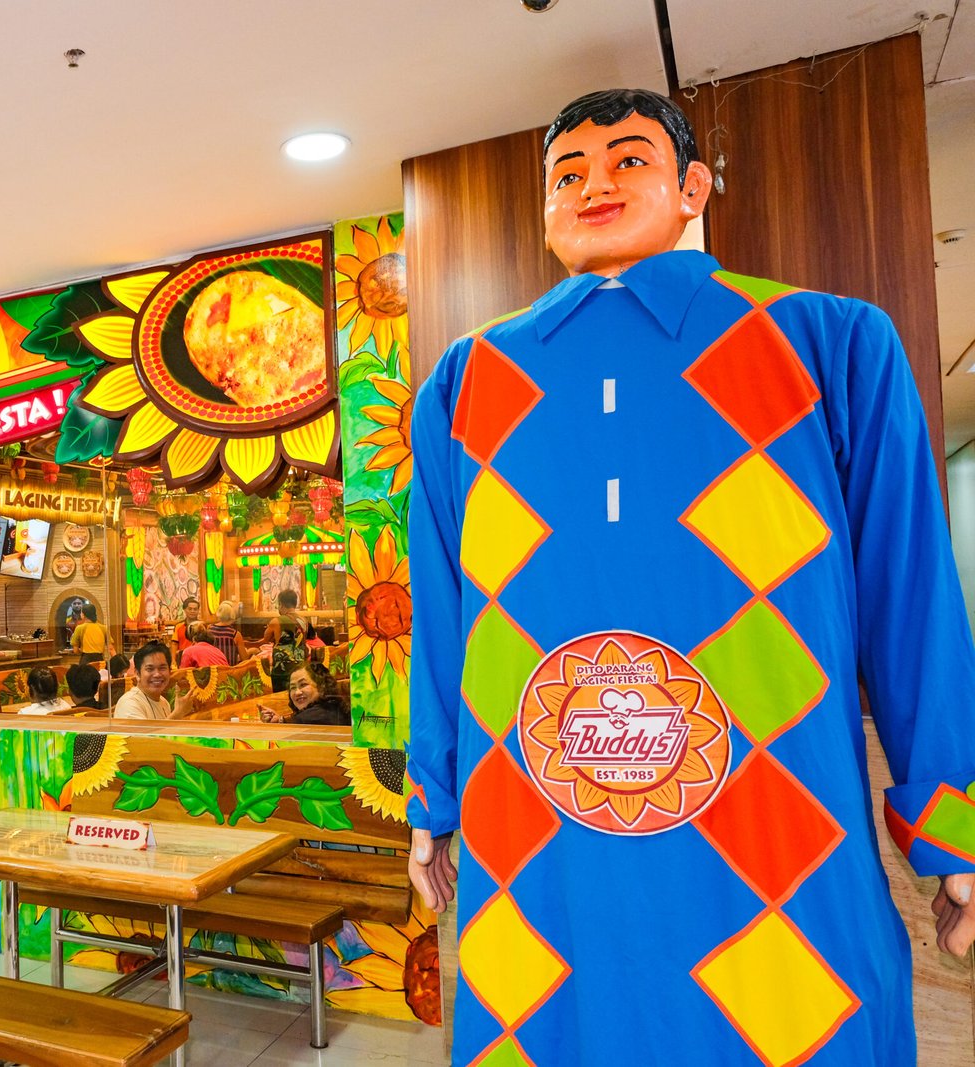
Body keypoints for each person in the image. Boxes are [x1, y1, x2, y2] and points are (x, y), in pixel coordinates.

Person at [405, 87, 975, 1065]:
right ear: (543, 210)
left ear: (693, 189)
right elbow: (444, 617)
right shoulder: (462, 381)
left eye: (628, 160)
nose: (593, 185)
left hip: (774, 827)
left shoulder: (829, 340)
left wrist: (951, 820)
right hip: (540, 842)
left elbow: (911, 599)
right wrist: (434, 794)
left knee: (790, 1014)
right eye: (567, 173)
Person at [112, 642, 194, 720]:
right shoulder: (129, 703)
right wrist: (178, 713)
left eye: (162, 668)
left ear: (170, 672)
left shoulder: (164, 703)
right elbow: (143, 731)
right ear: (137, 674)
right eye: (150, 669)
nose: (157, 674)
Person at [260, 662, 348, 726]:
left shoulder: (306, 719)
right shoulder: (336, 706)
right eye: (292, 687)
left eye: (303, 685)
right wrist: (280, 720)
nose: (297, 692)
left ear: (321, 686)